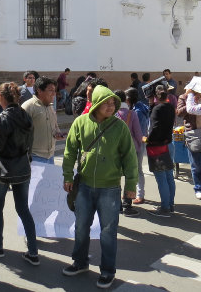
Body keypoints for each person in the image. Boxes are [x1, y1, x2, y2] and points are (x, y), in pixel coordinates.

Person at [62, 85, 137, 289]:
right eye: (107, 103)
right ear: (96, 104)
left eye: (113, 103)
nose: (111, 107)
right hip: (84, 186)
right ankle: (80, 262)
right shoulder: (80, 123)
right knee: (80, 227)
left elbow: (130, 158)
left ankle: (107, 271)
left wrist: (131, 184)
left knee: (108, 232)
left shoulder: (119, 127)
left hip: (110, 189)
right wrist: (68, 176)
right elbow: (69, 152)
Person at [0, 82, 39, 266]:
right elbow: (30, 142)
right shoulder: (25, 115)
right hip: (22, 165)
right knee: (23, 209)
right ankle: (33, 251)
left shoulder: (4, 117)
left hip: (4, 167)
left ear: (1, 98)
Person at [146, 85, 176, 217]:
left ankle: (164, 208)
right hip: (168, 143)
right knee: (169, 175)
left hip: (157, 146)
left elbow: (154, 127)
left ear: (156, 96)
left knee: (161, 177)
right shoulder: (170, 107)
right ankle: (170, 204)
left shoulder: (157, 108)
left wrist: (147, 139)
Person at [113, 90, 142, 217]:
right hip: (131, 149)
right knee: (131, 177)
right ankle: (127, 204)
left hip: (116, 150)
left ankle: (117, 205)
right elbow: (138, 133)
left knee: (116, 177)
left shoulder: (112, 114)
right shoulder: (132, 114)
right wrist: (139, 146)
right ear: (125, 99)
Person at [22, 77, 63, 164]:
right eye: (50, 90)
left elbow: (55, 125)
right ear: (39, 90)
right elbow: (20, 132)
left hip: (50, 156)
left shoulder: (50, 106)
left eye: (54, 91)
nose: (54, 94)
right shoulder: (28, 106)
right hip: (35, 157)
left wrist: (58, 132)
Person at [177, 89, 201, 200]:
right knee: (196, 164)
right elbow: (179, 112)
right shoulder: (184, 97)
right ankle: (199, 188)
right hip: (193, 132)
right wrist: (191, 99)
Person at [125, 88, 149, 205]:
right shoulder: (138, 108)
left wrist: (138, 143)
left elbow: (140, 131)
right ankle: (133, 193)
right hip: (138, 142)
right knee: (135, 170)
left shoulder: (138, 111)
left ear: (129, 99)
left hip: (137, 143)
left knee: (137, 169)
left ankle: (140, 194)